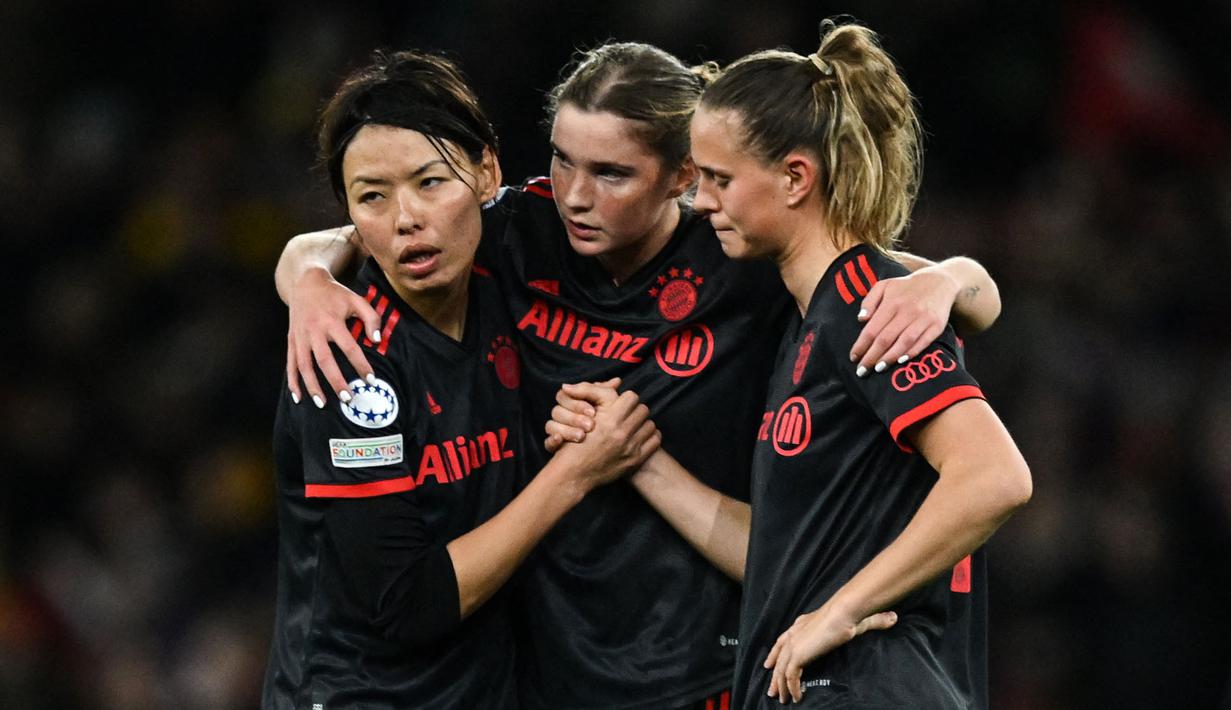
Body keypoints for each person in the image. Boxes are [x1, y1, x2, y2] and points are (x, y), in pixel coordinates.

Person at [275, 42, 1003, 709]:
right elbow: (393, 212)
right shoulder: (517, 236)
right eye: (561, 161)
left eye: (611, 172)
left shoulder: (739, 256)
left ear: (683, 176)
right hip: (553, 670)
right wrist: (306, 274)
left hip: (709, 664)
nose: (575, 195)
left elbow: (908, 286)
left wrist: (951, 280)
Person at [551, 19, 1032, 709]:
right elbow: (787, 556)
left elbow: (993, 478)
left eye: (718, 178)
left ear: (795, 177)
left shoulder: (862, 303)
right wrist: (637, 458)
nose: (701, 200)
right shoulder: (809, 321)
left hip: (867, 683)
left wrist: (838, 611)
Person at [263, 49, 660, 709]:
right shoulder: (346, 360)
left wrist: (894, 282)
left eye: (429, 182)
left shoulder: (508, 255)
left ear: (485, 173)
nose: (405, 218)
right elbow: (403, 605)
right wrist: (575, 474)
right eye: (372, 197)